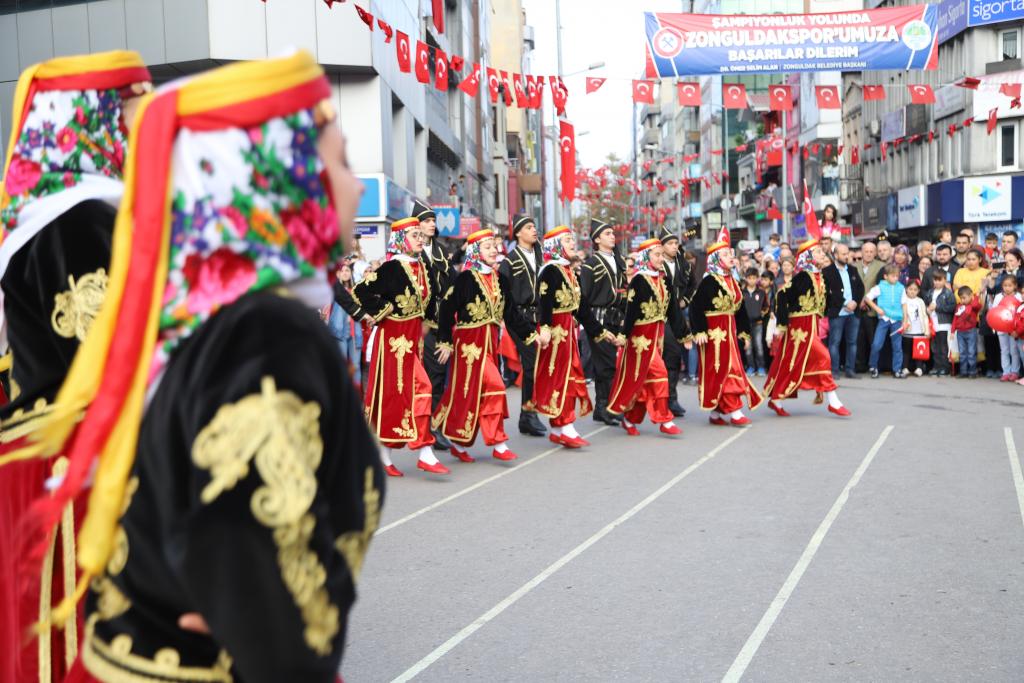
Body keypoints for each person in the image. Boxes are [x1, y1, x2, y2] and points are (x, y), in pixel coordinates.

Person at [5, 52, 383, 682]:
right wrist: (263, 606)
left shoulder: (214, 312)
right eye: (339, 160)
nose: (356, 185)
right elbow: (257, 563)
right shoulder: (263, 330)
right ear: (278, 175)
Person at [0, 51, 152, 683]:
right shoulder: (80, 219)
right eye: (134, 107)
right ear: (93, 117)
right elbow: (115, 354)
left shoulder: (65, 211)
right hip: (76, 462)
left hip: (51, 453)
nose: (148, 122)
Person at [433, 229, 544, 462]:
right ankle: (499, 442)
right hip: (469, 346)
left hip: (490, 344)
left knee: (469, 395)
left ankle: (458, 442)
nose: (494, 250)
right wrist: (445, 341)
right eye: (487, 247)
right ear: (475, 251)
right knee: (494, 385)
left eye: (495, 246)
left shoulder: (501, 280)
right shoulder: (465, 279)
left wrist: (532, 336)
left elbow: (511, 314)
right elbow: (446, 310)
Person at [348, 217, 447, 476]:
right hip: (393, 341)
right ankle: (425, 451)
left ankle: (383, 455)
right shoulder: (392, 268)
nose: (420, 239)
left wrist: (427, 321)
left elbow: (431, 299)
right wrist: (385, 309)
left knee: (393, 398)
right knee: (421, 387)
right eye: (414, 235)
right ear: (401, 239)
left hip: (412, 339)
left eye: (420, 235)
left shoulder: (421, 266)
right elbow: (360, 292)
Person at [533, 225, 617, 448]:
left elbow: (582, 309)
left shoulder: (569, 272)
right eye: (567, 240)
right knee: (561, 378)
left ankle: (560, 427)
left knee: (569, 376)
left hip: (568, 333)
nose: (572, 244)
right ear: (555, 246)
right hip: (556, 334)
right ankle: (564, 426)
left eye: (572, 240)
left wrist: (600, 331)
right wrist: (545, 328)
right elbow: (545, 303)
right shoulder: (550, 271)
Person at [607, 237, 690, 436]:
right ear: (646, 256)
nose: (661, 259)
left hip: (657, 336)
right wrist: (623, 335)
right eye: (657, 255)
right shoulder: (638, 280)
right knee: (660, 373)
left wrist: (684, 335)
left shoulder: (664, 280)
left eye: (662, 255)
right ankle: (664, 419)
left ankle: (629, 419)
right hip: (640, 339)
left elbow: (673, 312)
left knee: (643, 382)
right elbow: (631, 312)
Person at [764, 234, 851, 417]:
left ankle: (776, 400)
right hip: (799, 329)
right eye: (818, 252)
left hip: (811, 326)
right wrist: (781, 324)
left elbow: (833, 294)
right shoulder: (803, 277)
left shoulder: (819, 275)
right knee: (824, 356)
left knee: (792, 364)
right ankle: (833, 401)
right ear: (808, 256)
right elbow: (781, 296)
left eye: (821, 251)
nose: (822, 254)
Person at [689, 227, 764, 426]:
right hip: (714, 334)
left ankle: (716, 413)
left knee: (727, 369)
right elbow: (696, 307)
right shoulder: (709, 282)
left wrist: (744, 332)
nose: (730, 256)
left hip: (729, 332)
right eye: (725, 253)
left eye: (731, 253)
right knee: (723, 370)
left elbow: (740, 310)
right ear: (715, 258)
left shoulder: (732, 281)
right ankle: (735, 412)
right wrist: (699, 331)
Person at [410, 199, 455, 450]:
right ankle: (416, 426)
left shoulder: (440, 250)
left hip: (439, 320)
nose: (431, 225)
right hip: (416, 323)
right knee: (419, 378)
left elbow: (452, 283)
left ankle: (433, 427)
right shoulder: (407, 251)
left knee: (437, 376)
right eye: (427, 221)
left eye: (433, 221)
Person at [498, 213, 548, 437]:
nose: (533, 230)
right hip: (519, 319)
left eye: (534, 226)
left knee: (539, 365)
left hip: (538, 317)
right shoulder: (509, 262)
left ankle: (528, 414)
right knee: (532, 363)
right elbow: (505, 298)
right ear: (518, 233)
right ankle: (528, 414)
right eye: (528, 227)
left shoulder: (541, 259)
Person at [579, 219, 627, 426]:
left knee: (610, 364)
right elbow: (584, 297)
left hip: (616, 318)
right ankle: (604, 406)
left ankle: (605, 406)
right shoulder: (589, 265)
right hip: (598, 319)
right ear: (597, 239)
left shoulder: (619, 263)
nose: (611, 236)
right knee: (605, 364)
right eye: (607, 233)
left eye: (612, 233)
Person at [659, 224, 693, 416]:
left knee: (673, 357)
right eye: (670, 243)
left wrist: (684, 301)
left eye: (675, 243)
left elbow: (692, 285)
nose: (674, 246)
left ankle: (671, 398)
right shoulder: (655, 263)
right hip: (659, 316)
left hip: (676, 317)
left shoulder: (684, 264)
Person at [823, 243, 864, 379]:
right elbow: (829, 293)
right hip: (837, 312)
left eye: (847, 253)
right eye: (843, 254)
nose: (847, 256)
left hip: (853, 313)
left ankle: (850, 369)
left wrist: (855, 302)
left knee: (852, 342)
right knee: (835, 342)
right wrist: (845, 303)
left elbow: (860, 288)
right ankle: (834, 370)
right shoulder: (827, 271)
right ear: (835, 255)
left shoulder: (852, 270)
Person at [865, 264, 907, 378]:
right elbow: (867, 298)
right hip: (884, 319)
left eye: (897, 276)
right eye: (893, 276)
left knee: (897, 346)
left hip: (897, 319)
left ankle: (897, 369)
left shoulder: (901, 287)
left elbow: (904, 304)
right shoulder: (880, 287)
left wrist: (905, 320)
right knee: (877, 344)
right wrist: (877, 308)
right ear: (885, 276)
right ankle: (873, 366)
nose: (896, 278)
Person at [326, 262, 363, 385]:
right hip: (339, 330)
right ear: (338, 274)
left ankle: (357, 396)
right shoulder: (333, 290)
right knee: (341, 363)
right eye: (342, 271)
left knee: (355, 365)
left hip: (355, 331)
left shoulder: (357, 290)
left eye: (348, 270)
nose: (345, 273)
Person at [855, 240, 885, 373]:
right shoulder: (853, 266)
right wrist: (858, 301)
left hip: (872, 308)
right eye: (866, 251)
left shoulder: (881, 266)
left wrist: (867, 301)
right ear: (862, 252)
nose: (868, 254)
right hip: (855, 308)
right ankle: (859, 365)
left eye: (871, 251)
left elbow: (881, 287)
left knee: (873, 339)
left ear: (875, 253)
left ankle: (874, 365)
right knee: (857, 339)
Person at [993, 275, 1023, 381]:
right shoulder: (998, 297)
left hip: (1014, 329)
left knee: (1014, 350)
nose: (1007, 288)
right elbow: (994, 311)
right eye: (1005, 285)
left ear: (1015, 286)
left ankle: (1015, 372)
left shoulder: (1019, 296)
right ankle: (1006, 371)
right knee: (1004, 350)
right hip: (1001, 328)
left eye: (1010, 285)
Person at [741, 267, 768, 375]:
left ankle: (761, 367)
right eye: (749, 278)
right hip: (745, 324)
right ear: (746, 279)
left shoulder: (761, 292)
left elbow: (766, 306)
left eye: (754, 278)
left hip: (758, 324)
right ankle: (751, 367)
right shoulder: (742, 293)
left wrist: (760, 314)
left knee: (758, 345)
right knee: (748, 347)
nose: (751, 280)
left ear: (757, 279)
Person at [928, 271, 956, 376]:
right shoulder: (930, 292)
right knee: (935, 347)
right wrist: (928, 309)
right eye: (935, 280)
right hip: (933, 324)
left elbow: (952, 308)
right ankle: (937, 366)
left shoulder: (948, 293)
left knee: (944, 347)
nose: (937, 282)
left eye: (940, 280)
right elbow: (927, 303)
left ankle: (945, 367)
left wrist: (938, 307)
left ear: (945, 280)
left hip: (944, 324)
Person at [901, 280, 931, 376]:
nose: (912, 291)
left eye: (915, 290)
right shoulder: (903, 300)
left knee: (919, 350)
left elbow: (925, 315)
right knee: (906, 350)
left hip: (919, 330)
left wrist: (927, 329)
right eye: (910, 289)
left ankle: (919, 368)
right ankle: (905, 367)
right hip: (907, 330)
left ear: (918, 291)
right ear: (906, 289)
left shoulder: (920, 301)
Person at [953, 286, 983, 378]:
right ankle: (963, 371)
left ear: (970, 296)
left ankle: (972, 372)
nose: (962, 300)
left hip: (971, 331)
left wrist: (976, 296)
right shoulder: (959, 306)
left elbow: (976, 305)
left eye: (964, 298)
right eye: (961, 298)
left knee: (971, 352)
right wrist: (952, 331)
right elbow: (955, 319)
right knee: (962, 353)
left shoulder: (973, 306)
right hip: (960, 332)